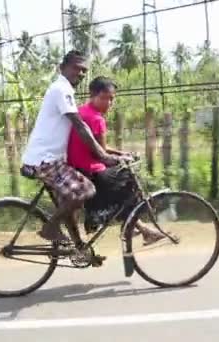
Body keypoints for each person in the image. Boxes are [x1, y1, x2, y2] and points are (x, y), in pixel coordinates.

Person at [20, 50, 125, 246]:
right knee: (85, 190)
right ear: (62, 68)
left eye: (84, 70)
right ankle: (50, 227)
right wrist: (102, 155)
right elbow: (79, 125)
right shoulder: (61, 89)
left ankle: (79, 248)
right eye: (76, 68)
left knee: (69, 204)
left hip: (51, 159)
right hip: (46, 161)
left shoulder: (63, 90)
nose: (81, 73)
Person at [66, 76, 166, 246]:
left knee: (121, 189)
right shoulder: (97, 119)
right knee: (129, 178)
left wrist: (121, 153)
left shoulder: (82, 111)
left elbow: (98, 147)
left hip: (78, 167)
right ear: (93, 95)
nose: (109, 103)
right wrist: (122, 158)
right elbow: (102, 152)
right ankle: (128, 225)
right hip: (91, 169)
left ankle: (136, 227)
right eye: (105, 98)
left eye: (112, 99)